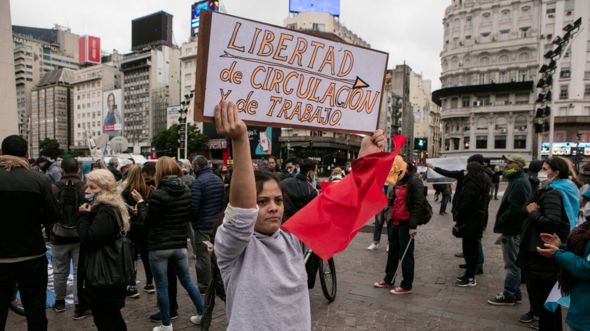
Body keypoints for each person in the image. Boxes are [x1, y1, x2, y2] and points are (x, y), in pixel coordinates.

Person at [213, 100, 385, 329]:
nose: (273, 207)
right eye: (262, 202)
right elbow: (243, 214)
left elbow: (341, 206)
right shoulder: (232, 247)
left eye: (278, 200)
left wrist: (366, 159)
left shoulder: (292, 238)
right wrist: (241, 139)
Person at [0, 135, 59, 331]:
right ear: (26, 154)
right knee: (36, 313)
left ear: (1, 153)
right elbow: (53, 215)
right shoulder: (39, 180)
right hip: (32, 255)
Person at [140, 156, 203, 331]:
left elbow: (148, 221)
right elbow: (188, 215)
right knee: (188, 281)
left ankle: (166, 324)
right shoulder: (186, 191)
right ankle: (203, 313)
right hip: (180, 244)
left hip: (159, 246)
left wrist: (141, 203)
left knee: (161, 285)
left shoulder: (158, 194)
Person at [518, 157, 577, 331]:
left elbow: (551, 221)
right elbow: (526, 208)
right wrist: (531, 209)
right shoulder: (549, 189)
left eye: (544, 169)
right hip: (542, 251)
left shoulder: (554, 193)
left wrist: (534, 213)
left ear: (556, 172)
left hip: (543, 253)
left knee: (546, 303)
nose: (540, 173)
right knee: (546, 303)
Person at [77, 169, 130, 330]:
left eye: (92, 188)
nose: (87, 191)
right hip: (109, 272)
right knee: (111, 316)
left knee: (105, 318)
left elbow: (89, 238)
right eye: (87, 187)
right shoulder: (109, 207)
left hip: (105, 274)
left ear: (104, 188)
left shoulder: (105, 210)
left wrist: (83, 217)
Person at [374, 156, 426, 294]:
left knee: (406, 255)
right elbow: (393, 200)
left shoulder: (415, 182)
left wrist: (413, 226)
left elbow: (418, 204)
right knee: (393, 252)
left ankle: (406, 285)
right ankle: (389, 278)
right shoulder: (397, 181)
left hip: (406, 223)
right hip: (395, 222)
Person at [488, 154, 532, 305]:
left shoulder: (520, 182)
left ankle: (509, 294)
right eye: (506, 163)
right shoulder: (517, 180)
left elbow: (515, 209)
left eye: (510, 163)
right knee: (513, 263)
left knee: (511, 264)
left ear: (519, 166)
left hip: (513, 229)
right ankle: (516, 293)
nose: (506, 165)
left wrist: (502, 220)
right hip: (512, 228)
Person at [537, 221, 590, 331]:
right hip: (581, 304)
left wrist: (558, 254)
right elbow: (584, 254)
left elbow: (586, 268)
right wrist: (561, 246)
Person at [50, 158, 87, 315]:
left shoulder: (54, 188)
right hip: (80, 236)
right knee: (80, 271)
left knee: (59, 271)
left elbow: (48, 212)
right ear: (78, 170)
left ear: (61, 170)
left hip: (58, 236)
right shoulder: (85, 187)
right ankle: (79, 304)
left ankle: (59, 302)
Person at [190, 155, 226, 291]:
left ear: (197, 166)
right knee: (215, 254)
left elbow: (194, 206)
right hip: (216, 223)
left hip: (202, 224)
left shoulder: (198, 183)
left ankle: (204, 285)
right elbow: (223, 202)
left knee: (203, 256)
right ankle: (217, 281)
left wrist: (192, 219)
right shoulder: (218, 180)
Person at [455, 162, 492, 287]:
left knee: (469, 250)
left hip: (470, 222)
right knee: (473, 249)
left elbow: (465, 205)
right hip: (478, 220)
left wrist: (459, 218)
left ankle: (469, 277)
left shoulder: (471, 185)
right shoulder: (483, 183)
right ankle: (470, 275)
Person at [121, 165, 154, 297]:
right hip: (145, 226)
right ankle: (150, 282)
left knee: (132, 257)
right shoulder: (148, 189)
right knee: (146, 255)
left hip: (132, 226)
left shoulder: (126, 192)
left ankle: (132, 285)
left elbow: (123, 209)